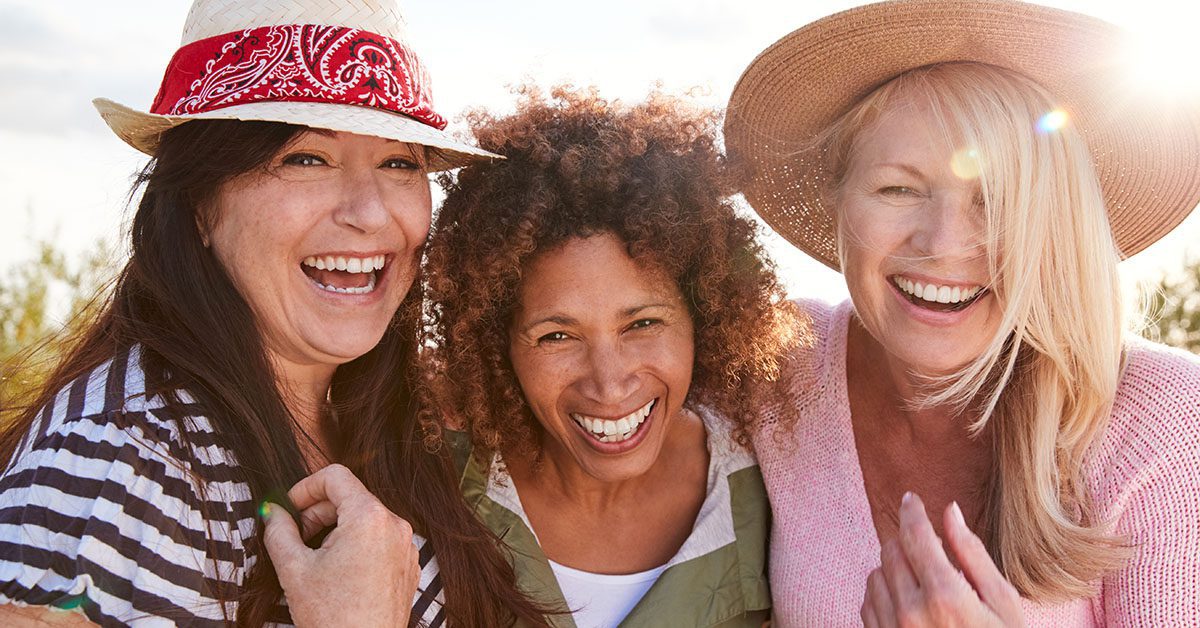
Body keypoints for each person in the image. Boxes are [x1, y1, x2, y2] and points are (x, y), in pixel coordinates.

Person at [0, 0, 546, 626]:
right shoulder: (130, 463)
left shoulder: (392, 426)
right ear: (201, 203)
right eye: (306, 158)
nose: (369, 214)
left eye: (399, 162)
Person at [724, 0, 1200, 626]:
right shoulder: (773, 365)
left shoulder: (1164, 423)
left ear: (1058, 225)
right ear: (838, 199)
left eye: (1000, 201)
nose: (943, 244)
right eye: (899, 189)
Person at [417, 86, 804, 627]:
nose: (609, 383)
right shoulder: (431, 479)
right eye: (556, 336)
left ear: (703, 316)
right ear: (494, 340)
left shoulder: (770, 487)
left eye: (642, 324)